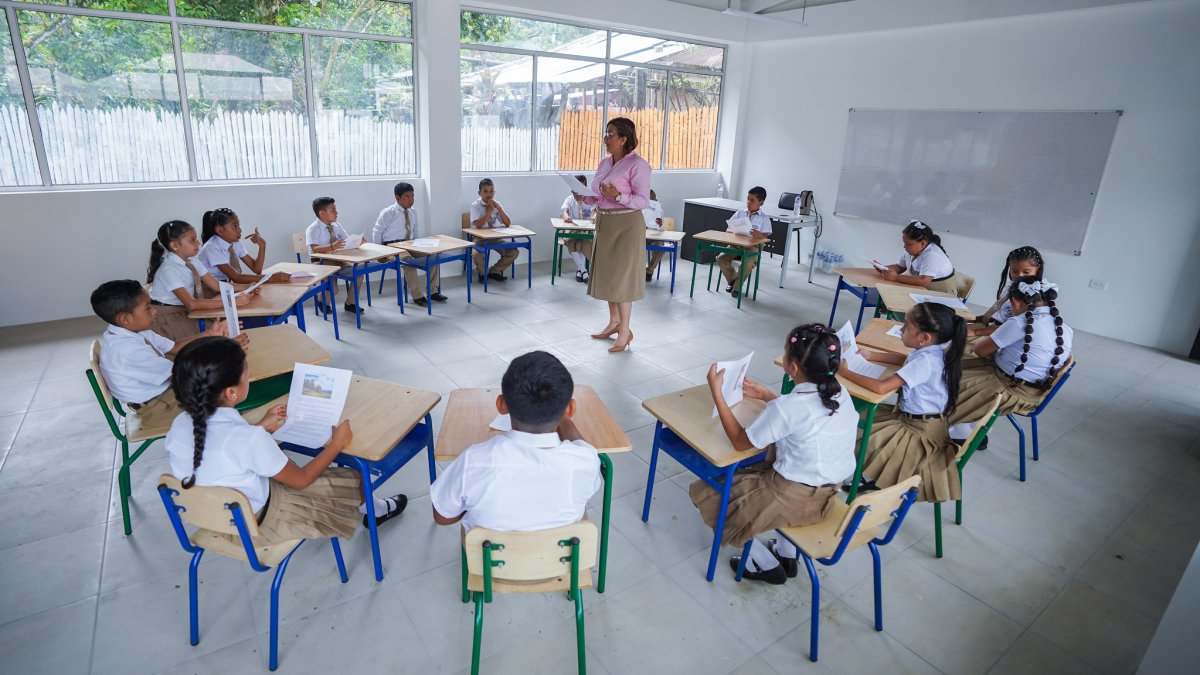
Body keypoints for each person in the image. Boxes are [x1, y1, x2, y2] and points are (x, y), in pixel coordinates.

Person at [165, 337, 406, 542]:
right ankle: (378, 511)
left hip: (212, 516)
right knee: (354, 477)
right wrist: (337, 444)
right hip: (258, 524)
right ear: (231, 392)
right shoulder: (249, 440)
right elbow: (300, 480)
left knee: (285, 466)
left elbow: (224, 452)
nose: (249, 376)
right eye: (246, 371)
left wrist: (260, 427)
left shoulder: (179, 425)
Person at [690, 324, 857, 584]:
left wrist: (718, 395)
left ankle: (766, 565)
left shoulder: (787, 408)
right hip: (828, 495)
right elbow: (805, 417)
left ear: (792, 368)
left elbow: (739, 442)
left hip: (793, 496)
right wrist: (769, 396)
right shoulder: (840, 393)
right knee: (764, 466)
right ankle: (787, 554)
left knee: (713, 495)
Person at [429, 351, 601, 531]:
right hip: (561, 556)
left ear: (501, 405)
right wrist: (562, 416)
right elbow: (581, 446)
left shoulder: (474, 462)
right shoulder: (585, 461)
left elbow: (442, 517)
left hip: (492, 557)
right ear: (571, 409)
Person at [838, 302, 967, 503]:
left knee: (854, 431)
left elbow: (882, 388)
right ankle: (870, 473)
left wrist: (845, 372)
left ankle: (858, 473)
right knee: (854, 417)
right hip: (919, 421)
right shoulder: (933, 351)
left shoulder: (926, 361)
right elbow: (905, 360)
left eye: (907, 326)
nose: (901, 329)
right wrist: (872, 355)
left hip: (918, 432)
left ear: (924, 338)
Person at [90, 279, 242, 431]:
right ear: (125, 319)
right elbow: (182, 376)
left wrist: (210, 335)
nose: (154, 311)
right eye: (148, 307)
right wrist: (224, 352)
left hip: (166, 395)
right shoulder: (127, 350)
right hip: (158, 408)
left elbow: (174, 347)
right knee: (228, 391)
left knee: (228, 382)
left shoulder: (132, 331)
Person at [949, 278, 1072, 437]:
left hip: (1009, 389)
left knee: (951, 374)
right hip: (1034, 392)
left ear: (1015, 301)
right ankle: (972, 429)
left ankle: (961, 434)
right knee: (960, 362)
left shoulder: (1020, 322)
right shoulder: (1065, 328)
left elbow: (980, 351)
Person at [579, 117, 652, 353]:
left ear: (623, 139)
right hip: (605, 222)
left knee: (622, 280)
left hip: (627, 224)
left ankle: (625, 331)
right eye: (606, 133)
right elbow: (601, 197)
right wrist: (585, 197)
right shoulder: (604, 163)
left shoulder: (638, 165)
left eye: (610, 134)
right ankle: (613, 322)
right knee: (610, 277)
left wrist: (618, 196)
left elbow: (643, 201)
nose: (606, 138)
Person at [147, 220, 249, 340]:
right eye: (193, 240)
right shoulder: (169, 269)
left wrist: (248, 287)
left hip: (184, 309)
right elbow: (192, 303)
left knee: (222, 330)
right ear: (175, 245)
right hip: (168, 317)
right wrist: (233, 302)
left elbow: (215, 285)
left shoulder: (192, 260)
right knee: (213, 337)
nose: (198, 243)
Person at [372, 182, 447, 307]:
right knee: (409, 262)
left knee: (433, 256)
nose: (411, 199)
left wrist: (419, 245)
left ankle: (433, 291)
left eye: (412, 196)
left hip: (410, 244)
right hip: (392, 247)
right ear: (397, 197)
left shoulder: (413, 212)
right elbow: (377, 231)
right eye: (407, 196)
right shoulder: (388, 212)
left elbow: (415, 230)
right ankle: (418, 296)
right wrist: (380, 252)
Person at [197, 207, 290, 289]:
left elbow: (256, 269)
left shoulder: (235, 243)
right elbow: (236, 277)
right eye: (234, 226)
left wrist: (262, 246)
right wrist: (271, 277)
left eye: (239, 225)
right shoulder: (212, 248)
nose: (240, 230)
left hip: (224, 285)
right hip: (208, 289)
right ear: (220, 230)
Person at [969, 246, 1046, 338]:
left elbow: (1013, 328)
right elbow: (997, 317)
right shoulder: (1010, 288)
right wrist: (969, 320)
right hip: (996, 331)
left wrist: (976, 332)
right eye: (1014, 271)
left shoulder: (1037, 297)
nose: (1019, 276)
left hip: (1013, 339)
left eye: (1026, 272)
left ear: (1038, 269)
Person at [305, 197, 363, 314]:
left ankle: (350, 303)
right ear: (322, 213)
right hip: (321, 262)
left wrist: (357, 241)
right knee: (334, 289)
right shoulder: (313, 229)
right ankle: (322, 301)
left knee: (358, 274)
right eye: (333, 210)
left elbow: (346, 240)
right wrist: (332, 246)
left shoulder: (336, 225)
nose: (336, 212)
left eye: (335, 209)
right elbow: (314, 248)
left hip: (339, 259)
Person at [716, 186, 771, 299]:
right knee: (721, 258)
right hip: (736, 245)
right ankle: (733, 281)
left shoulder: (764, 218)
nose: (748, 202)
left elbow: (766, 236)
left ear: (761, 202)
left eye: (752, 200)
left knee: (747, 263)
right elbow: (728, 228)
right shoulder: (740, 213)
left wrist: (759, 235)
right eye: (747, 199)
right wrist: (733, 231)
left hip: (753, 247)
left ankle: (736, 288)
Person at [879, 220, 957, 294]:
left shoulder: (932, 255)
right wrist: (884, 269)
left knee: (896, 299)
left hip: (941, 293)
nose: (904, 246)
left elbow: (923, 281)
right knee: (889, 295)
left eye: (908, 244)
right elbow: (900, 267)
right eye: (904, 243)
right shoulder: (910, 251)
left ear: (923, 243)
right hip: (922, 289)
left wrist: (895, 277)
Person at [469, 178, 519, 283]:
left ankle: (494, 271)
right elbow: (478, 225)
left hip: (495, 238)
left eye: (491, 191)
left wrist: (499, 209)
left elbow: (507, 223)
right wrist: (490, 210)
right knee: (476, 255)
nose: (489, 194)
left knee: (513, 252)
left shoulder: (497, 204)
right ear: (479, 193)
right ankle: (483, 274)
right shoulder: (475, 205)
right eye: (485, 191)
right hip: (480, 238)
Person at [559, 175, 595, 283]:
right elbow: (564, 211)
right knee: (570, 240)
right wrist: (566, 216)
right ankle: (584, 271)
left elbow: (595, 210)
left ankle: (580, 270)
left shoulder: (590, 199)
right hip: (572, 228)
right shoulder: (570, 199)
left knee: (583, 241)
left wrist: (593, 217)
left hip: (586, 229)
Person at [643, 189, 665, 281]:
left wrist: (660, 224)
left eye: (654, 199)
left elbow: (662, 229)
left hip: (655, 236)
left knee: (660, 249)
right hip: (641, 235)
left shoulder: (660, 210)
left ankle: (649, 271)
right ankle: (634, 271)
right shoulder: (638, 208)